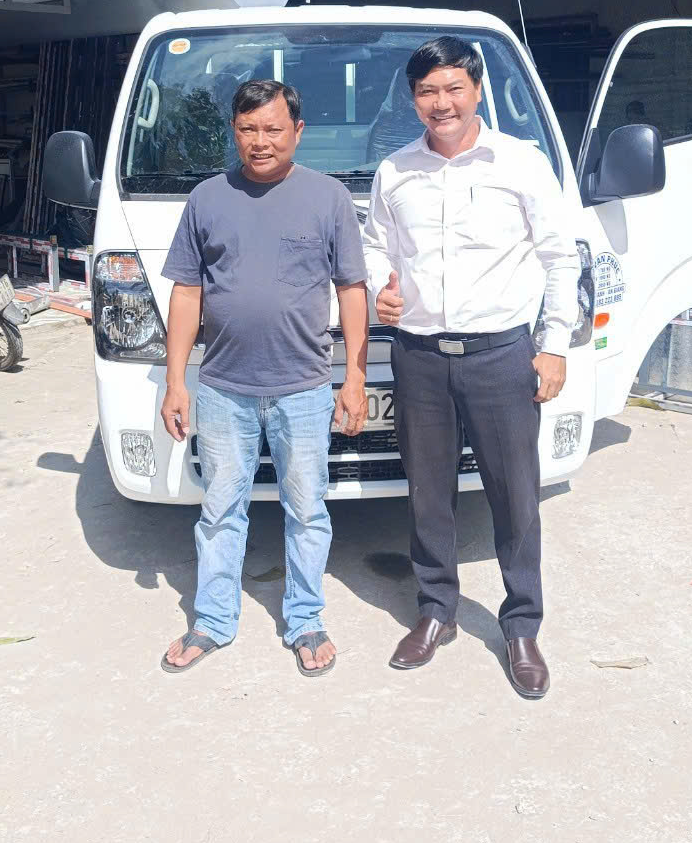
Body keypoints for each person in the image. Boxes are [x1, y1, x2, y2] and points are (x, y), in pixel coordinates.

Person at [362, 37, 580, 699]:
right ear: (412, 99)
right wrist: (378, 287)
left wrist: (554, 344)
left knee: (514, 496)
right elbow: (375, 245)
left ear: (477, 90)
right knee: (428, 494)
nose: (442, 103)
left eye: (453, 88)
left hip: (500, 356)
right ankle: (436, 610)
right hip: (420, 357)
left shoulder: (521, 163)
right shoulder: (395, 171)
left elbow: (560, 256)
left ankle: (521, 625)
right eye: (427, 91)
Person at [159, 79, 369, 678]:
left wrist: (354, 377)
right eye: (248, 129)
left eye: (273, 129)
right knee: (220, 510)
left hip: (304, 388)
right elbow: (187, 292)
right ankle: (212, 620)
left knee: (307, 510)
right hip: (224, 388)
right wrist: (176, 381)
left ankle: (305, 620)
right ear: (234, 131)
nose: (260, 141)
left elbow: (351, 290)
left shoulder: (328, 198)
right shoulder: (207, 198)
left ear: (297, 132)